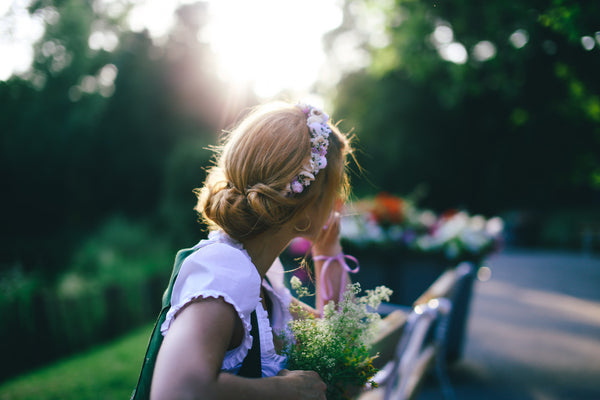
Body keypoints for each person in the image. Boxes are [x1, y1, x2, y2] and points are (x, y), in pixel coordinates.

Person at [148, 101, 354, 400]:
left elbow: (333, 344)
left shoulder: (262, 279)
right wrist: (282, 391)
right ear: (307, 206)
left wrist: (327, 249)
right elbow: (176, 392)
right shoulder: (223, 271)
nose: (340, 203)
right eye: (335, 189)